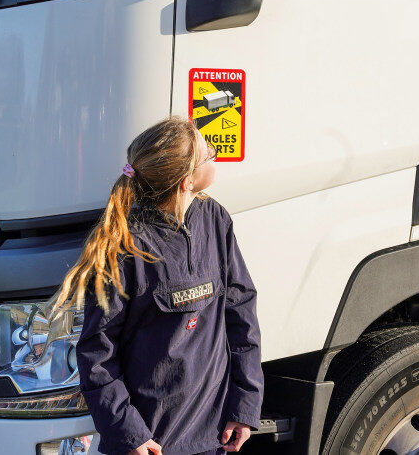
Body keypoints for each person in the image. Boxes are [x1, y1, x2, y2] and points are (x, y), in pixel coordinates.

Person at [45, 116, 264, 455]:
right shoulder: (126, 246)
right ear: (186, 182)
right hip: (153, 444)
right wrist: (129, 434)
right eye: (208, 153)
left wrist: (244, 406)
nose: (215, 155)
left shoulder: (215, 219)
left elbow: (241, 312)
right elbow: (97, 354)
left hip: (214, 437)